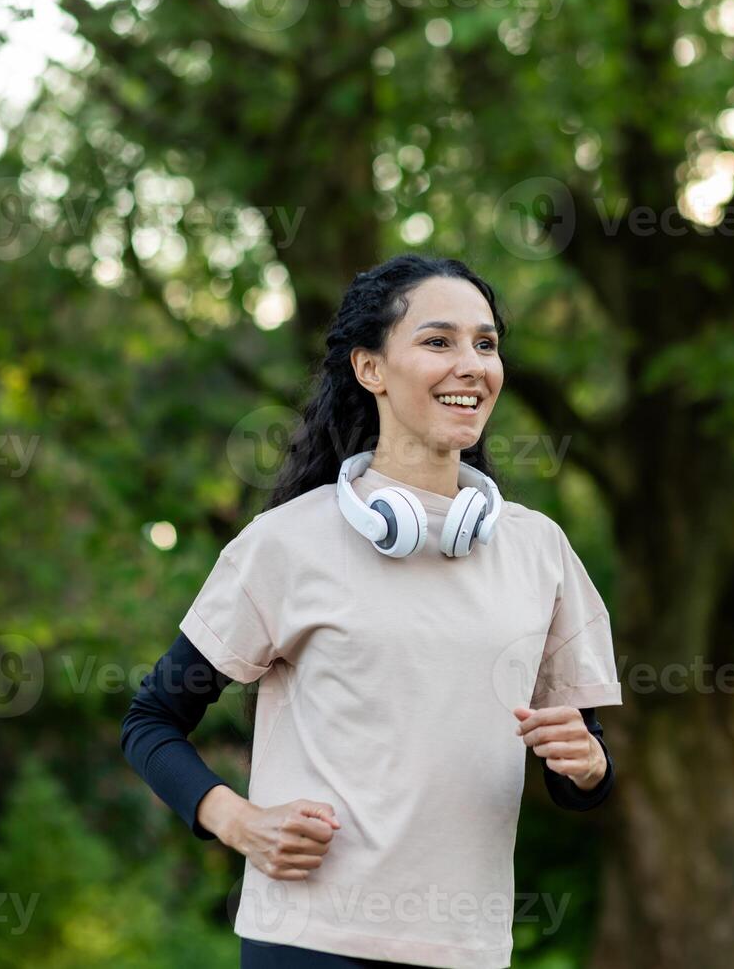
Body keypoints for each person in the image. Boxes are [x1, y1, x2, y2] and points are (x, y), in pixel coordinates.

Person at [120, 255, 622, 969]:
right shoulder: (288, 543)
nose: (471, 365)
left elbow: (581, 774)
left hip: (468, 949)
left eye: (485, 344)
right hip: (310, 942)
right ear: (371, 369)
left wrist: (590, 766)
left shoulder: (538, 548)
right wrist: (237, 820)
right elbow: (151, 721)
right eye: (438, 341)